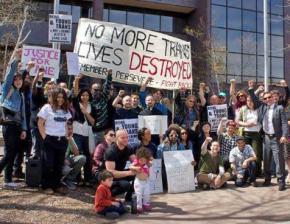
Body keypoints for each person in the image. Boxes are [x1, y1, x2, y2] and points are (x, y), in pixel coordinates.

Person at [248, 80, 288, 191]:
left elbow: (284, 123)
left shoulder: (279, 108)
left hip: (277, 138)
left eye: (269, 97)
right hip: (266, 137)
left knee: (279, 160)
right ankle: (267, 179)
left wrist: (284, 135)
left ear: (273, 97)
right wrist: (251, 89)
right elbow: (254, 99)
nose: (267, 100)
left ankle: (281, 182)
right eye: (265, 98)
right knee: (266, 159)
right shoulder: (262, 107)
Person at [0, 49, 27, 188]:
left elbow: (22, 114)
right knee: (10, 153)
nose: (17, 81)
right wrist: (16, 59)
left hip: (17, 126)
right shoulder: (6, 89)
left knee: (12, 153)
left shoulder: (21, 95)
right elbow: (10, 75)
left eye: (20, 79)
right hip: (8, 124)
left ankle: (8, 180)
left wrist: (24, 129)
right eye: (16, 80)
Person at [37, 88, 72, 194]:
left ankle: (56, 185)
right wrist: (45, 137)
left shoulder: (66, 109)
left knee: (58, 164)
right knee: (48, 164)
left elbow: (66, 124)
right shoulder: (47, 108)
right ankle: (46, 186)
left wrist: (66, 135)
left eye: (62, 97)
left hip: (62, 140)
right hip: (50, 139)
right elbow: (40, 123)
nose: (60, 99)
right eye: (58, 97)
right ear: (54, 97)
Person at [72, 74, 96, 185]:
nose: (85, 97)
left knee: (88, 156)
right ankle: (77, 179)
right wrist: (76, 81)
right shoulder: (77, 104)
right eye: (83, 95)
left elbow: (93, 122)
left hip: (87, 134)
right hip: (76, 133)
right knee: (78, 155)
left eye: (87, 95)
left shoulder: (92, 107)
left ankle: (87, 178)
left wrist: (86, 112)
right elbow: (75, 93)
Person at [104, 129, 136, 201]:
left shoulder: (129, 148)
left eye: (127, 137)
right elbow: (111, 173)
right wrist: (129, 172)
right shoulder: (110, 151)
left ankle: (129, 197)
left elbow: (135, 162)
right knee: (126, 185)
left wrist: (141, 166)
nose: (126, 140)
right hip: (108, 177)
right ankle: (108, 196)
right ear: (116, 138)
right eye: (123, 138)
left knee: (137, 174)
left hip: (120, 173)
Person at [237, 96, 262, 176]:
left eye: (251, 100)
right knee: (245, 153)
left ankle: (257, 172)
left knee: (256, 153)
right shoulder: (243, 109)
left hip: (256, 133)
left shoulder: (259, 109)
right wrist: (246, 124)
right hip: (246, 133)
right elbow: (238, 121)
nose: (249, 102)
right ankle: (246, 172)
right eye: (248, 100)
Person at [62, 121, 86, 190]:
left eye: (72, 129)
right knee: (66, 169)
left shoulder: (70, 138)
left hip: (66, 159)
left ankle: (68, 179)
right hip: (58, 161)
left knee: (82, 158)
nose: (71, 131)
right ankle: (58, 181)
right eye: (68, 129)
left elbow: (77, 154)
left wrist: (70, 140)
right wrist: (64, 159)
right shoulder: (59, 137)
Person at [91, 69, 112, 144]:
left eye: (99, 89)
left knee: (103, 150)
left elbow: (107, 86)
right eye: (95, 90)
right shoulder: (88, 100)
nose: (97, 91)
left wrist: (109, 75)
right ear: (91, 90)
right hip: (92, 131)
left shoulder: (104, 97)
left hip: (103, 131)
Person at [130, 147, 152, 213]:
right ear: (138, 158)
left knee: (147, 193)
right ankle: (139, 206)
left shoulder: (147, 162)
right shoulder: (136, 161)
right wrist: (135, 167)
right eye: (141, 160)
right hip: (138, 181)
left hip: (146, 181)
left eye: (144, 160)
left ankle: (146, 204)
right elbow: (130, 166)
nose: (142, 161)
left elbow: (151, 162)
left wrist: (149, 160)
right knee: (138, 194)